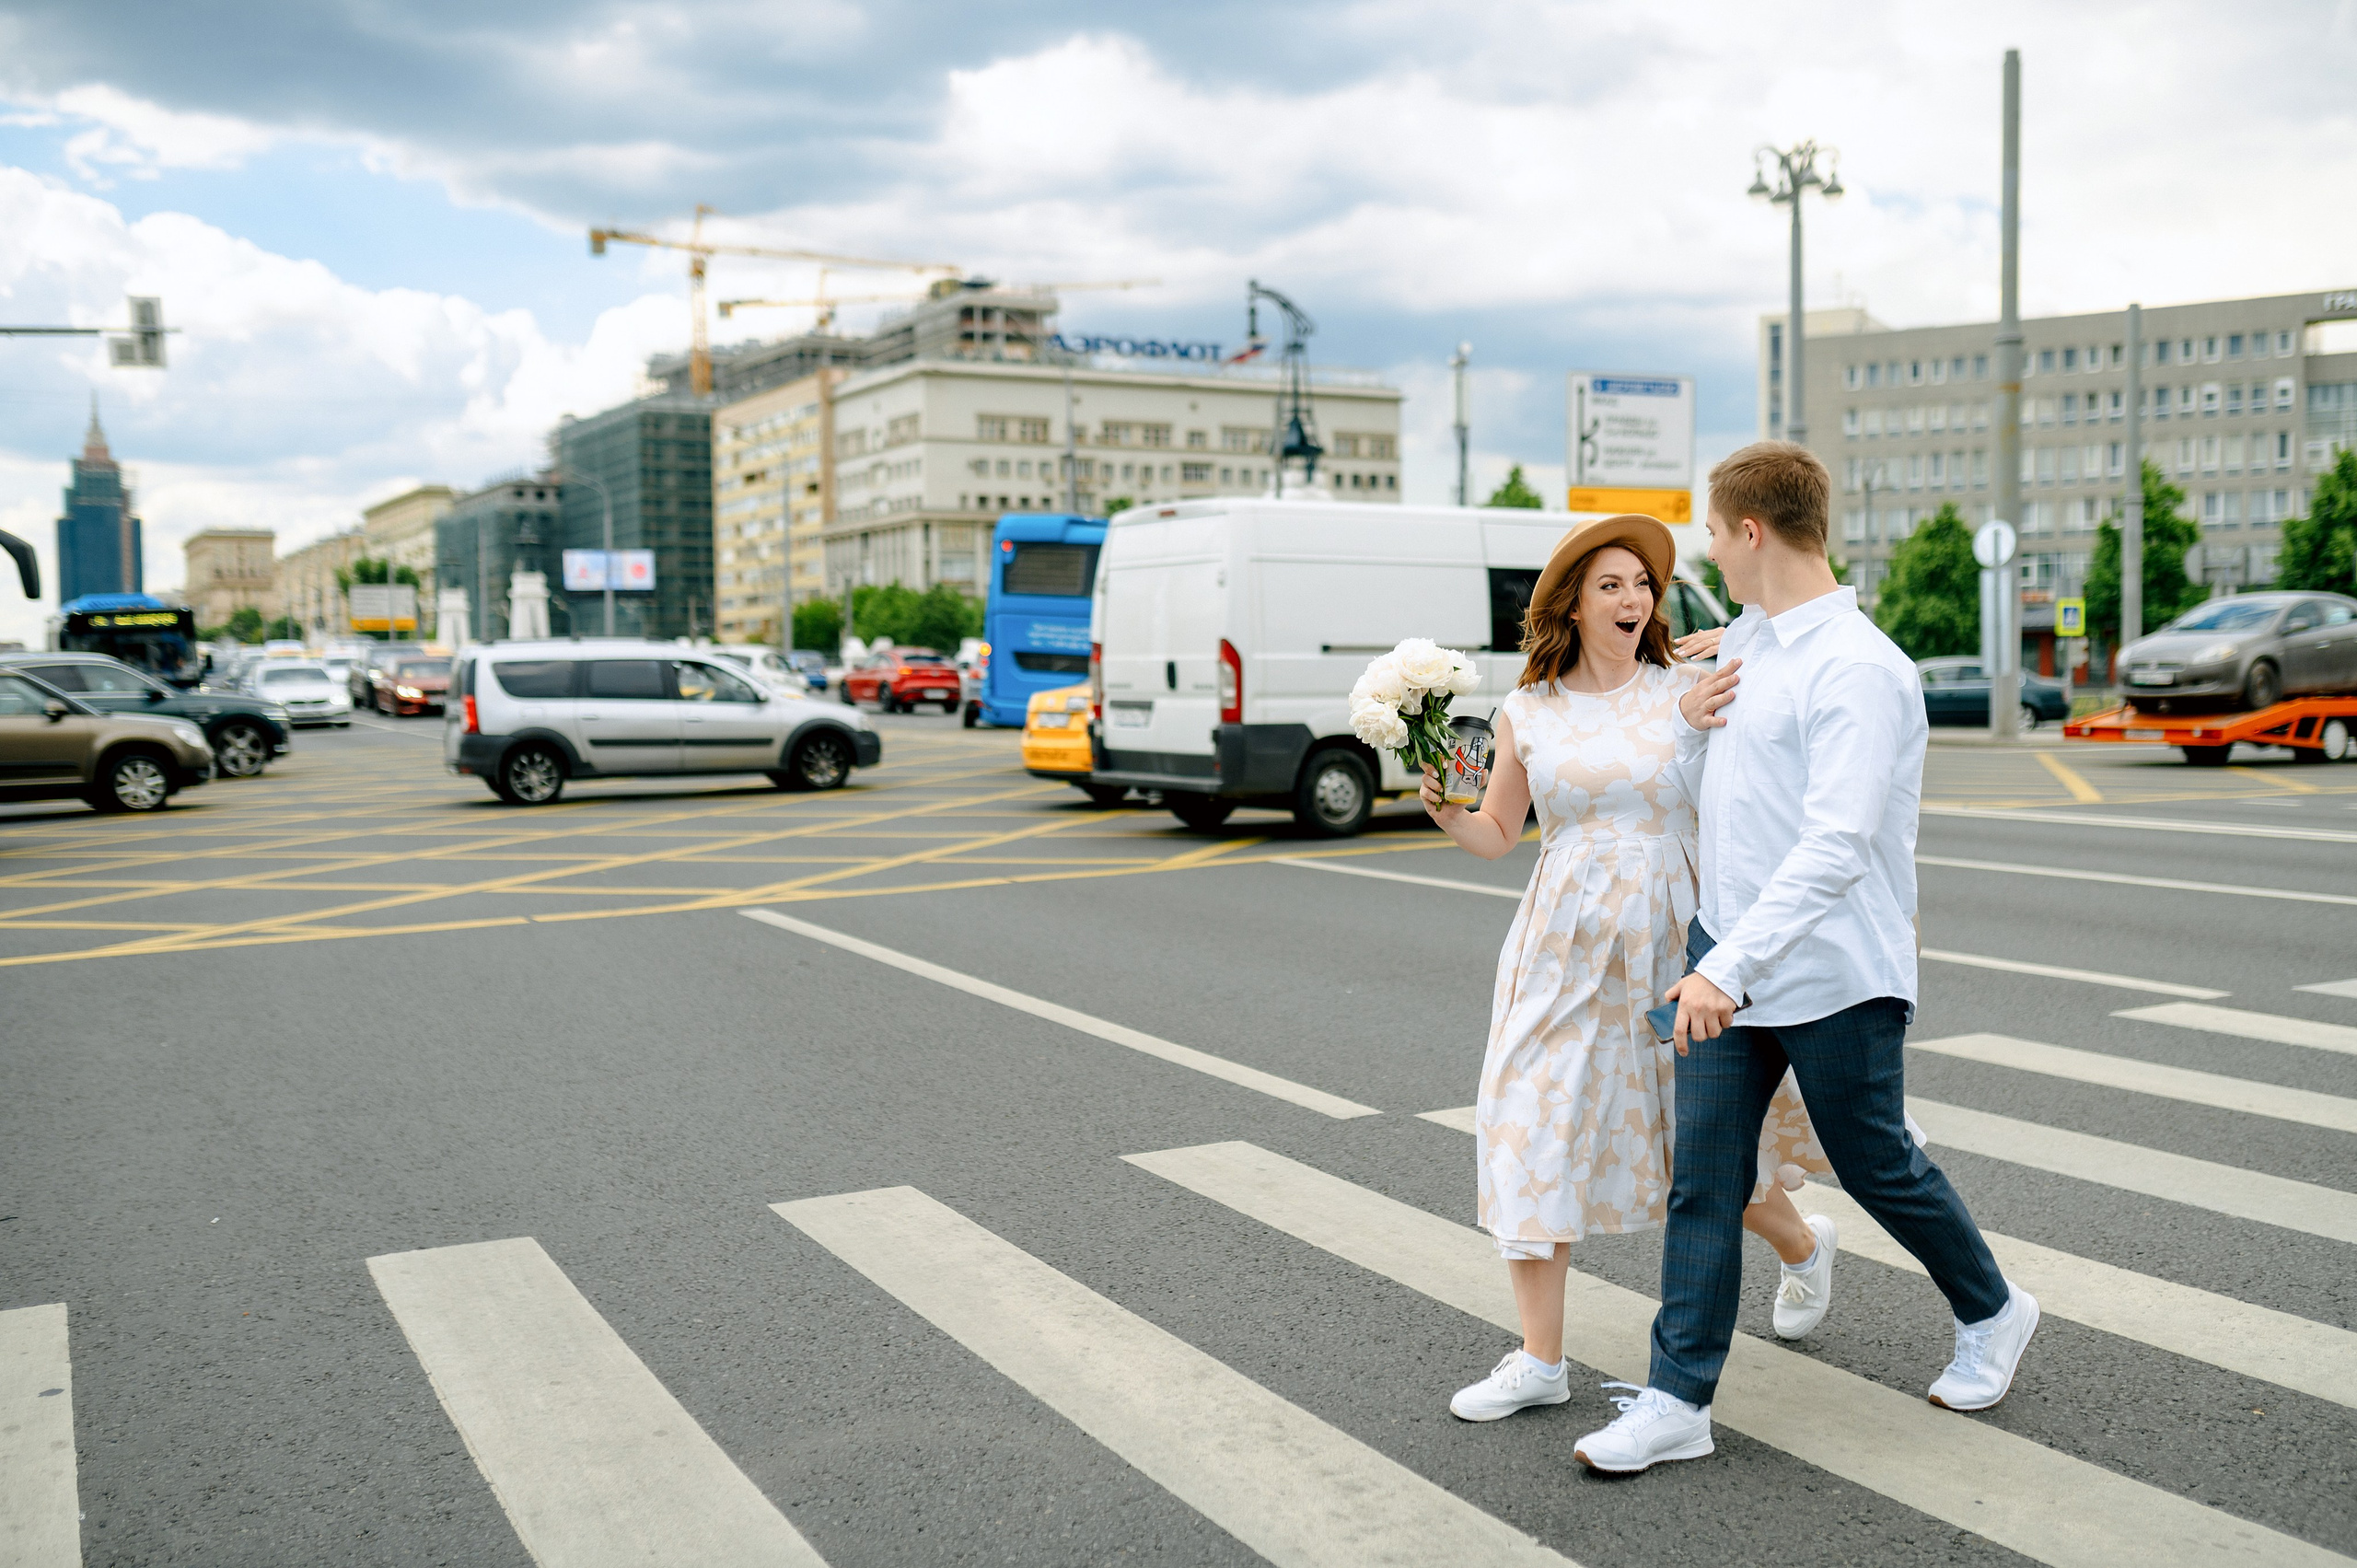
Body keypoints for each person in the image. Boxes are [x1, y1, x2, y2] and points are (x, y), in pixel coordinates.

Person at [1573, 443, 2038, 1476]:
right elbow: (1723, 802)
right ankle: (1676, 1398)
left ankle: (1995, 1307)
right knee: (1703, 1179)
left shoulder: (1860, 666)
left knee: (1876, 1161)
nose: (1705, 553)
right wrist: (1691, 729)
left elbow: (1835, 843)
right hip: (1727, 955)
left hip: (1832, 970)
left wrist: (1725, 967)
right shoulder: (1746, 643)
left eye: (1711, 532)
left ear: (1750, 532)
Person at [1421, 514, 1843, 1427]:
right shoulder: (1524, 711)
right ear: (1570, 601)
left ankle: (1803, 1242)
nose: (1632, 598)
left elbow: (1824, 636)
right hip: (1560, 945)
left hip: (1677, 939)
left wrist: (1751, 633)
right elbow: (1500, 834)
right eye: (1610, 583)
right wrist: (1446, 812)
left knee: (1693, 1146)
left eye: (1642, 584)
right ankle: (1539, 1358)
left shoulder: (1691, 686)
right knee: (1528, 1121)